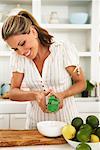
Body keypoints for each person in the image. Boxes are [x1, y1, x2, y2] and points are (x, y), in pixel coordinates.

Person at [2, 10, 86, 129]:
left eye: (22, 43)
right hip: (36, 126)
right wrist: (35, 95)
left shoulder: (62, 49)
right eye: (15, 49)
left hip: (67, 125)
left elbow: (81, 83)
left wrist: (62, 95)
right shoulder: (17, 58)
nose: (21, 52)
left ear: (33, 32)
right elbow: (13, 92)